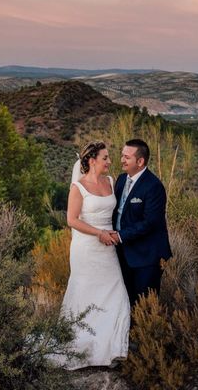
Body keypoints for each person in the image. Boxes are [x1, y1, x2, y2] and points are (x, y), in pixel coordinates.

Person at [57, 141, 130, 369]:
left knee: (117, 293)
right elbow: (72, 220)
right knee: (86, 294)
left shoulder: (110, 182)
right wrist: (99, 233)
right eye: (105, 157)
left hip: (109, 249)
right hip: (87, 248)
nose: (110, 161)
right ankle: (84, 346)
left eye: (109, 157)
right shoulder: (77, 188)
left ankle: (112, 348)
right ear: (91, 160)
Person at [113, 139, 172, 307]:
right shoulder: (121, 179)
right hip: (122, 254)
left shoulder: (154, 186)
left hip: (146, 257)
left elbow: (150, 223)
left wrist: (119, 235)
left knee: (144, 306)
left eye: (127, 157)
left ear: (140, 161)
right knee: (125, 304)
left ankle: (144, 334)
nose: (122, 160)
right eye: (122, 156)